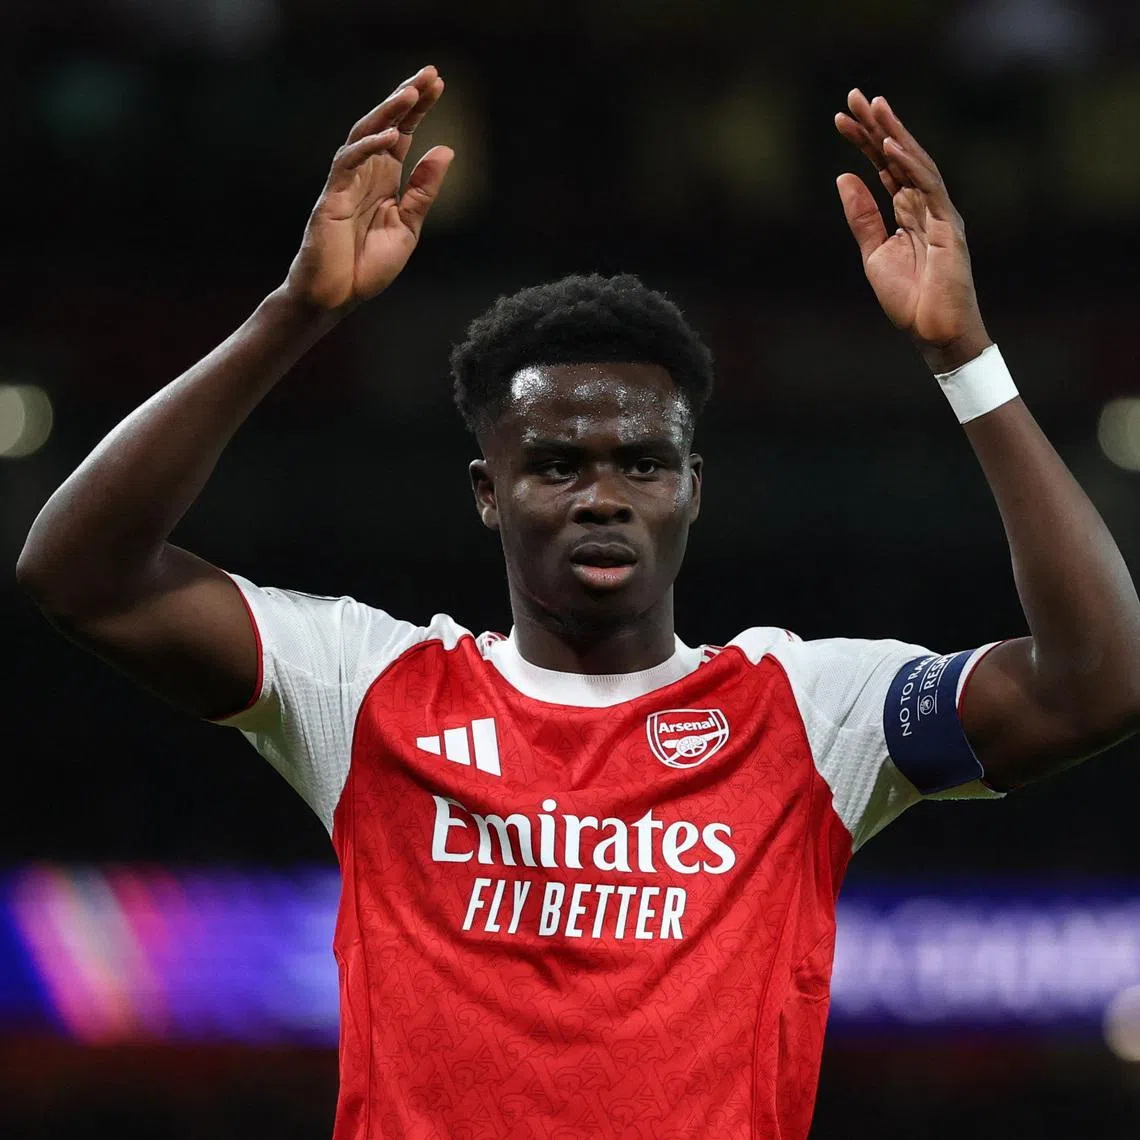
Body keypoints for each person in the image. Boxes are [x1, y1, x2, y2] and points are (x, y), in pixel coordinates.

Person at [16, 63, 1140, 1140]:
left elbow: (1097, 685)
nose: (603, 496)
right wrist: (294, 314)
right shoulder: (365, 688)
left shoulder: (812, 710)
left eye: (642, 465)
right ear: (487, 494)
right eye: (556, 465)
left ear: (692, 490)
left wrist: (966, 356)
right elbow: (80, 575)